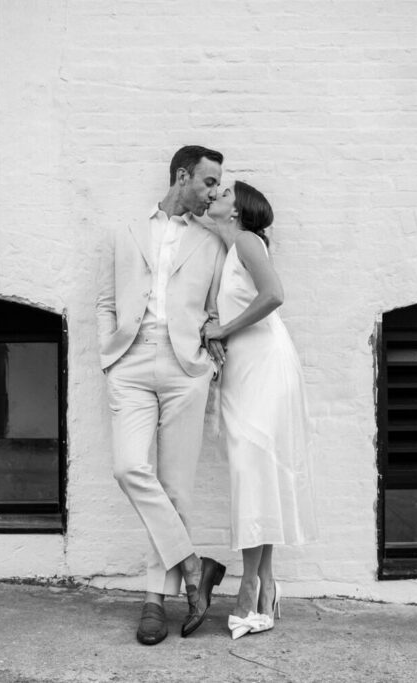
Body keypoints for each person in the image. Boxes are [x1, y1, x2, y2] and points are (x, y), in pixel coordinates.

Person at [95, 145, 229, 645]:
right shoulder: (125, 229)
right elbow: (106, 301)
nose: (214, 192)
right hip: (129, 363)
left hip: (184, 369)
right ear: (182, 176)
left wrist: (209, 355)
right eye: (209, 182)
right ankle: (195, 568)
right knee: (129, 467)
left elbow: (215, 307)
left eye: (218, 185)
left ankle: (154, 601)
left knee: (176, 490)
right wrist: (109, 359)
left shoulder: (212, 243)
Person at [202, 180, 318, 640]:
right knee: (257, 473)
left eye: (225, 192)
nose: (216, 194)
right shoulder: (231, 248)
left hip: (264, 366)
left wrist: (223, 329)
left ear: (239, 210)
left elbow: (274, 295)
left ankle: (250, 584)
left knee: (253, 471)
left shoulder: (248, 241)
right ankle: (267, 582)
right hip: (248, 369)